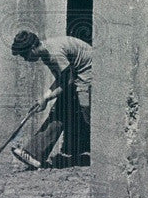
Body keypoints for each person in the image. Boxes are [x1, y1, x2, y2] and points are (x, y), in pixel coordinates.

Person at [9, 30, 92, 169]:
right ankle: (34, 154)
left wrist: (46, 99)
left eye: (25, 54)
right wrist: (45, 97)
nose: (25, 59)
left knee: (86, 112)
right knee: (59, 111)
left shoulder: (53, 54)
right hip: (77, 76)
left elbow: (67, 81)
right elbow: (62, 79)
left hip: (88, 74)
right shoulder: (46, 53)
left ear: (33, 48)